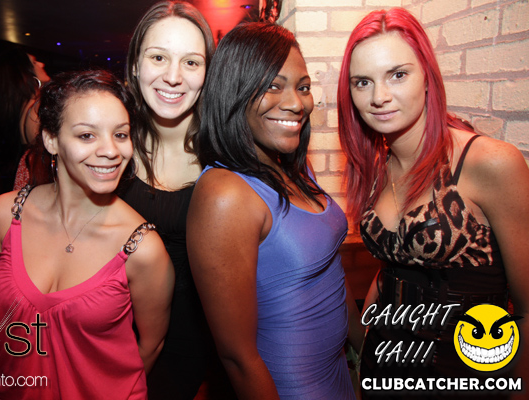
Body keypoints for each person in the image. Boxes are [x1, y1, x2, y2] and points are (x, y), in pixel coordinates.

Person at [337, 7, 529, 397]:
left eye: (398, 74)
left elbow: (527, 311)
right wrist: (366, 343)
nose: (379, 97)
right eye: (362, 82)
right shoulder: (377, 169)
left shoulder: (489, 163)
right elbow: (392, 269)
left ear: (427, 76)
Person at [0, 70, 174, 400]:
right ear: (51, 140)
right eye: (86, 135)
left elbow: (151, 345)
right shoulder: (4, 216)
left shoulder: (142, 248)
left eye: (120, 134)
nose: (111, 151)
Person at [187, 22, 360, 399]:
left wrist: (363, 354)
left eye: (303, 87)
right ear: (234, 90)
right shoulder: (224, 193)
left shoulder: (294, 167)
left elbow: (330, 270)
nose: (297, 103)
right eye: (273, 85)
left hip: (339, 374)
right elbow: (237, 357)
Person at [119, 2, 224, 398]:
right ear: (135, 65)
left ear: (208, 73)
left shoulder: (226, 154)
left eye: (191, 62)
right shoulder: (110, 145)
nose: (174, 77)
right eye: (158, 57)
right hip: (108, 334)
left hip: (192, 346)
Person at [0, 47, 50, 191]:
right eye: (34, 62)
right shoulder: (38, 110)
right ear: (24, 74)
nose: (42, 64)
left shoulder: (24, 110)